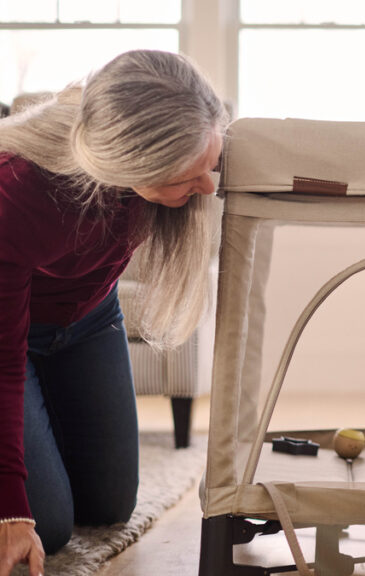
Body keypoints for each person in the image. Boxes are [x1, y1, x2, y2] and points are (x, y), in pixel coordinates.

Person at [0, 50, 228, 576]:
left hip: (90, 320)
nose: (210, 186)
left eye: (210, 164)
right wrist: (12, 505)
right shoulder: (18, 190)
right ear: (128, 161)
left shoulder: (177, 165)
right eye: (190, 176)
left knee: (107, 508)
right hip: (16, 334)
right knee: (48, 526)